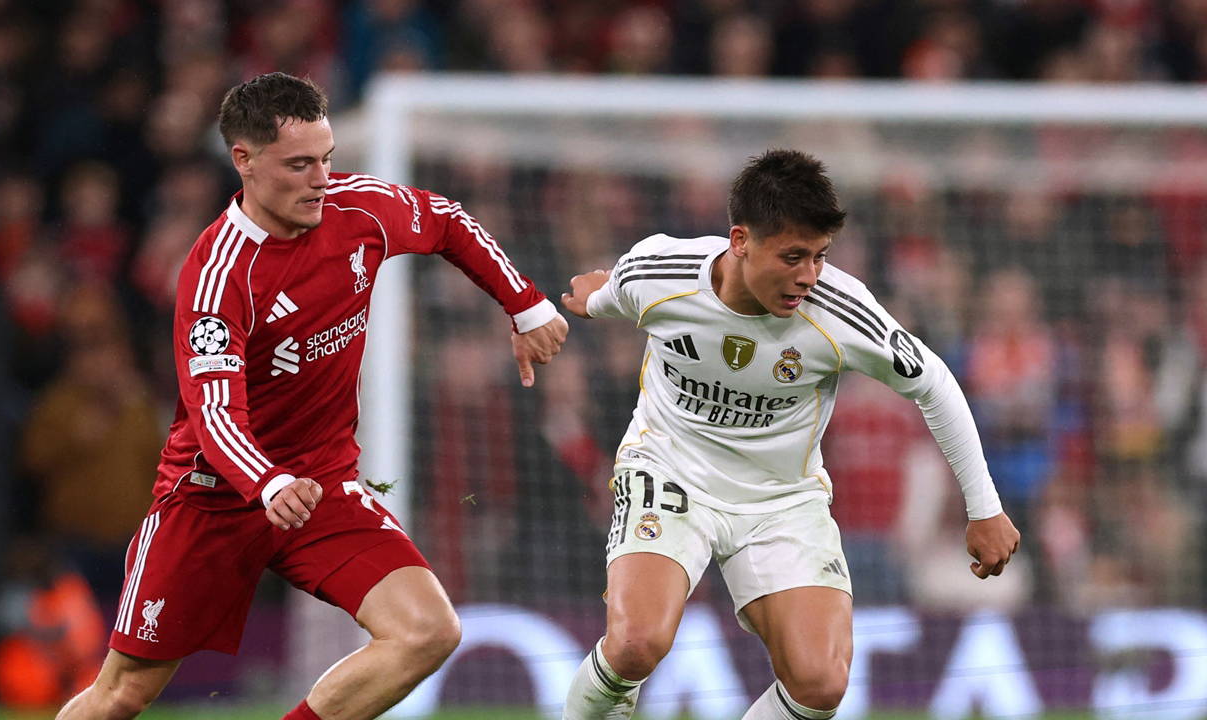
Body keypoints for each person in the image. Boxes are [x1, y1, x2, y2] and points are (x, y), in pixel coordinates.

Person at [55, 72, 569, 720]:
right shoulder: (219, 276)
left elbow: (445, 220)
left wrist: (525, 305)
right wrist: (267, 483)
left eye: (326, 159)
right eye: (299, 165)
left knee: (428, 631)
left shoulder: (359, 211)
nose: (321, 179)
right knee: (122, 693)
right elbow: (215, 412)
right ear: (244, 160)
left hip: (322, 486)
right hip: (214, 499)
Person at [558, 149, 1019, 720]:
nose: (808, 276)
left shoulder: (840, 311)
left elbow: (935, 384)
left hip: (781, 499)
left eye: (820, 256)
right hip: (669, 472)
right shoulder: (659, 273)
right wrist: (591, 301)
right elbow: (611, 293)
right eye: (793, 256)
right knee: (635, 644)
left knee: (819, 684)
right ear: (740, 240)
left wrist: (984, 508)